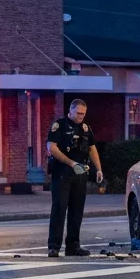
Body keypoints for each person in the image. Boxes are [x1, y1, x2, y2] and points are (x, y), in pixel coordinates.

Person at [47, 99, 103, 257]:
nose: (81, 116)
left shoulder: (85, 128)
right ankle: (54, 246)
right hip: (62, 174)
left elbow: (92, 148)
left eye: (83, 114)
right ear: (70, 111)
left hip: (80, 175)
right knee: (59, 209)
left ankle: (73, 246)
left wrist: (98, 169)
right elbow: (51, 147)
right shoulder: (59, 126)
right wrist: (71, 163)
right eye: (78, 113)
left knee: (76, 211)